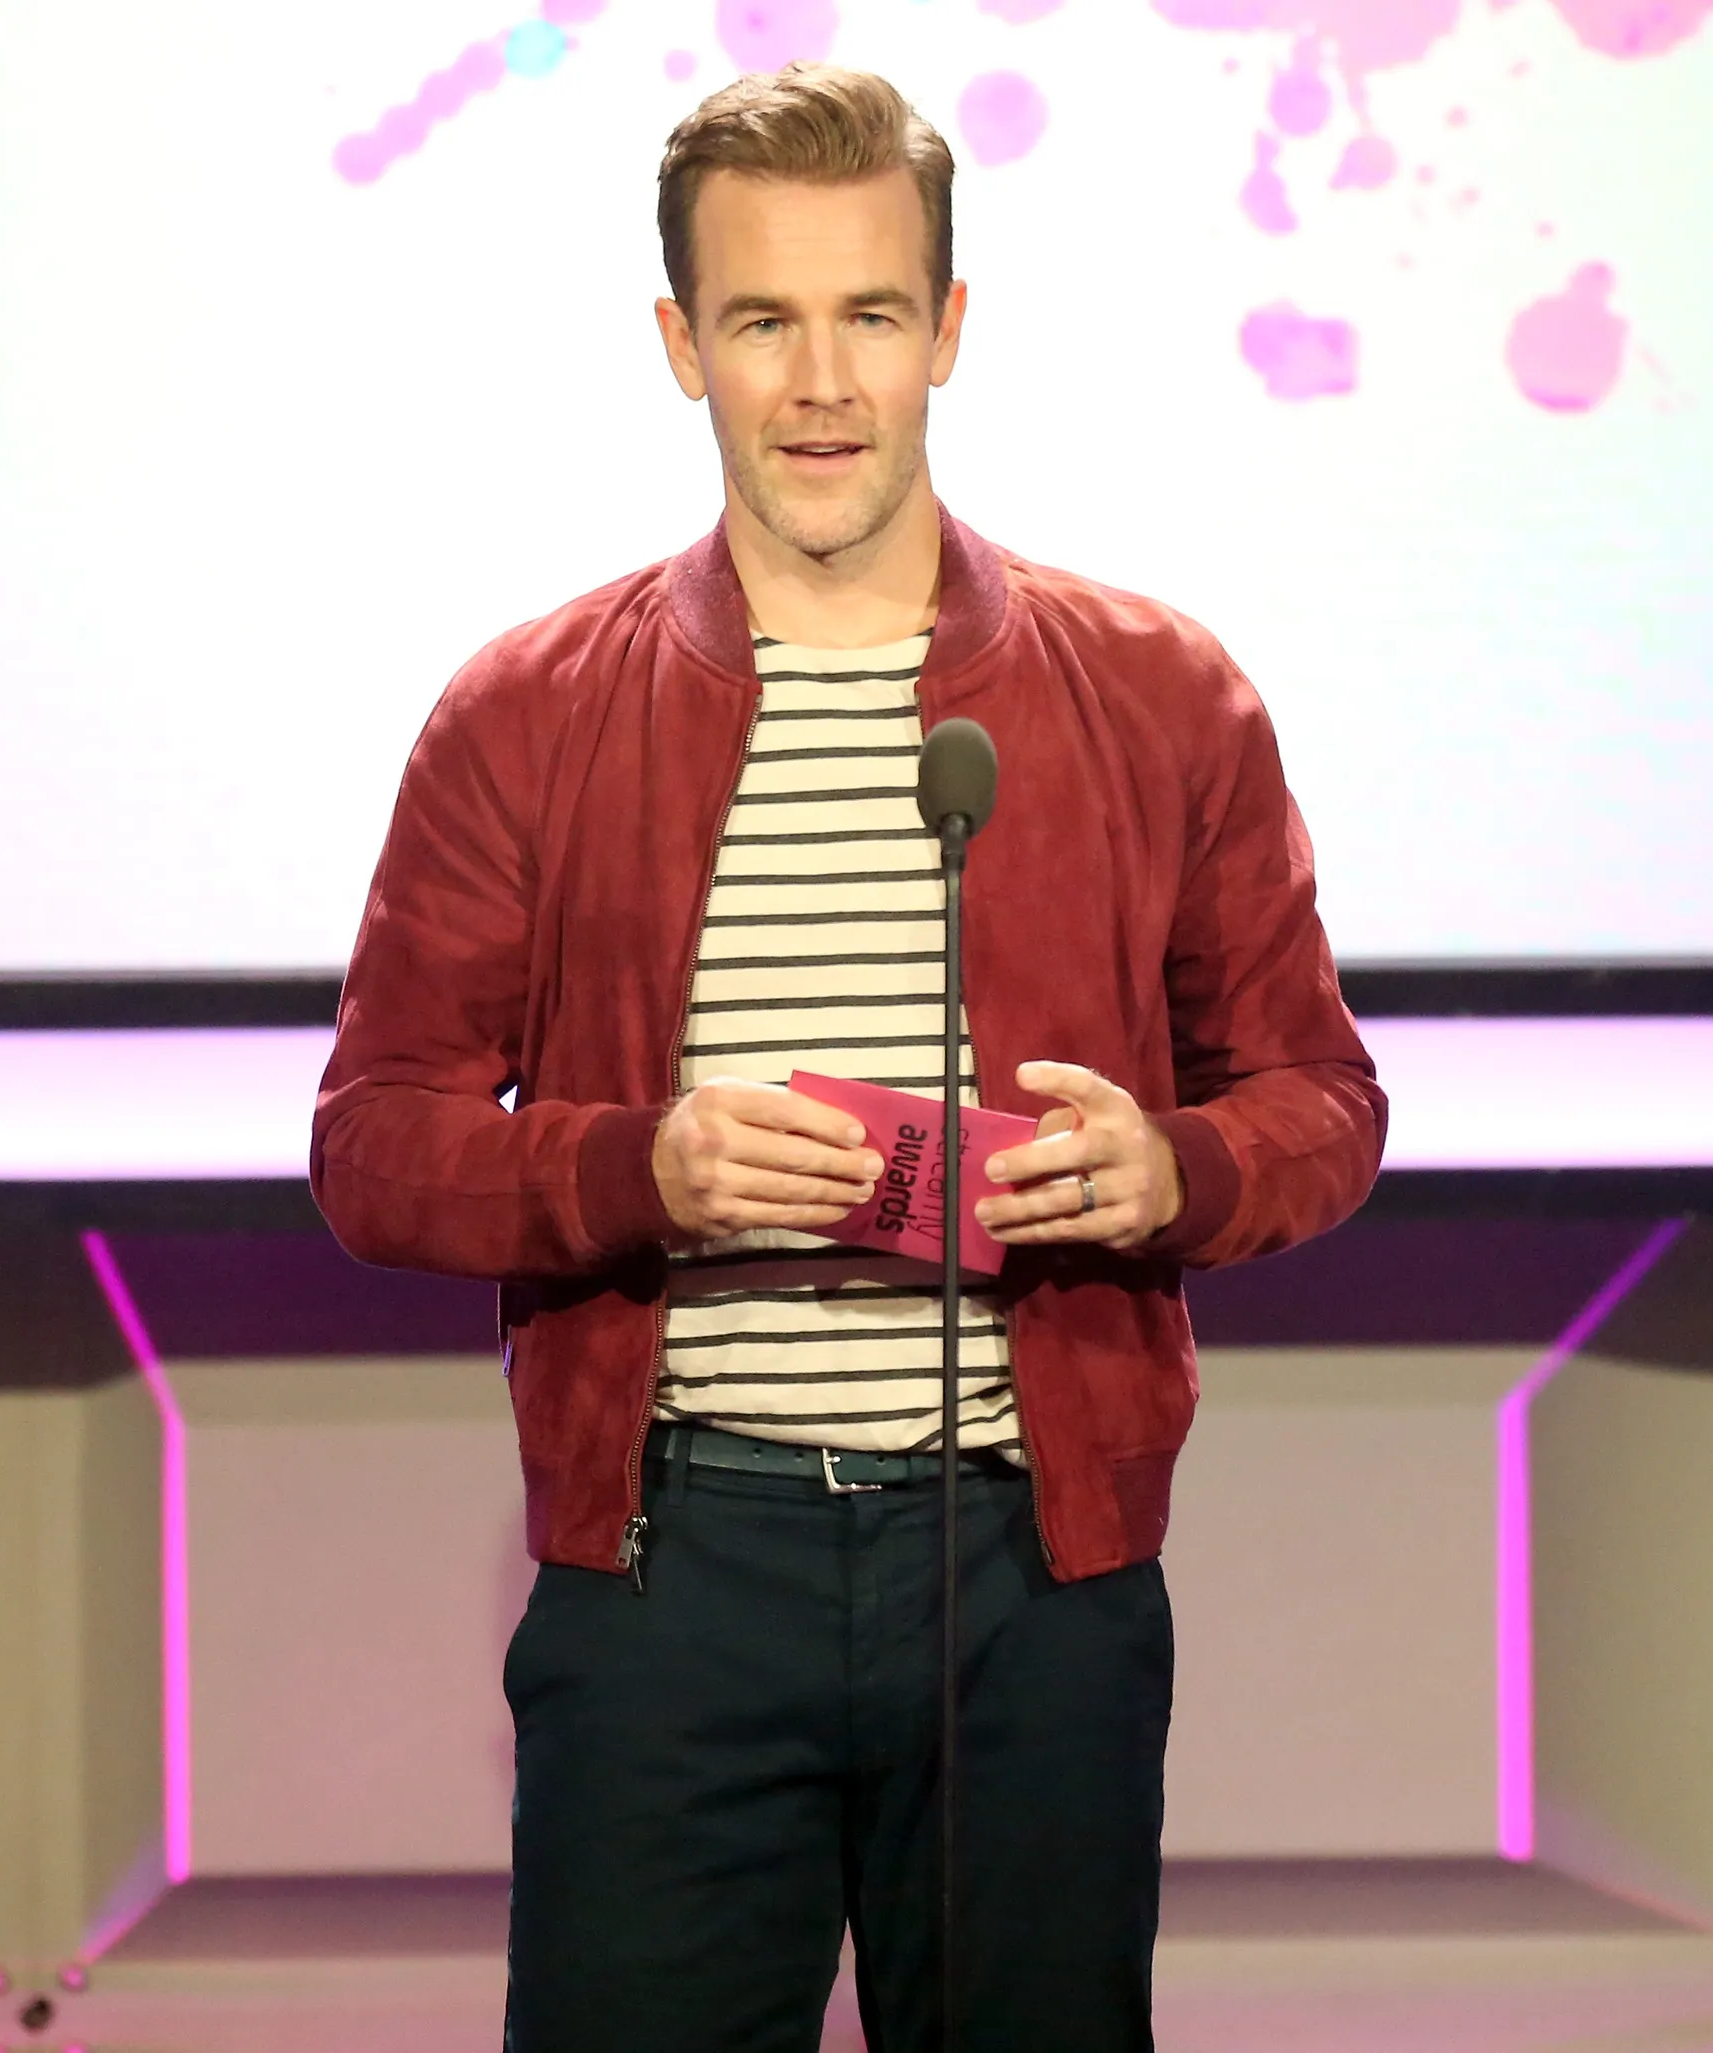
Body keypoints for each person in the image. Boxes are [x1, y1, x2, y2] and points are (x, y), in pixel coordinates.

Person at [311, 62, 1385, 2053]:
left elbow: (1322, 1100)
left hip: (1027, 1574)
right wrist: (640, 1171)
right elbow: (376, 1147)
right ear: (680, 348)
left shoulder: (1154, 693)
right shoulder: (530, 714)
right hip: (675, 1571)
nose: (821, 382)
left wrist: (1182, 1173)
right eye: (764, 321)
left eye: (871, 316)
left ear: (950, 332)